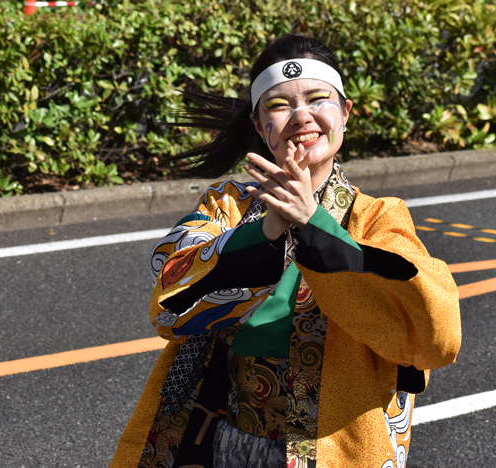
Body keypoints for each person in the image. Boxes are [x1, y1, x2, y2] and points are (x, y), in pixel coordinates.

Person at [111, 34, 461, 468]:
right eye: (279, 105)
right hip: (229, 442)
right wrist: (270, 227)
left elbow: (433, 335)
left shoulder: (378, 217)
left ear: (345, 114)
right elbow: (169, 302)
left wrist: (314, 223)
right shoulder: (228, 206)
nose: (302, 116)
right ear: (259, 126)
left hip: (335, 448)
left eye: (318, 99)